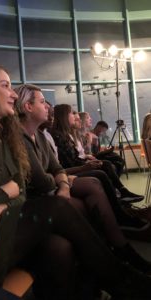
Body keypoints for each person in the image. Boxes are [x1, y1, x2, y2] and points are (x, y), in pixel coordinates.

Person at [0, 63, 151, 300]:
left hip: (3, 228)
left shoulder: (1, 138)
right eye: (5, 86)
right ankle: (124, 279)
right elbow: (13, 190)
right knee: (61, 206)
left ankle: (103, 283)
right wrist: (1, 195)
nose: (14, 94)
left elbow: (20, 189)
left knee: (59, 247)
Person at [14, 83, 151, 274]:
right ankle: (118, 251)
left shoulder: (39, 135)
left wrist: (61, 180)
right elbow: (41, 181)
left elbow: (56, 167)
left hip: (52, 189)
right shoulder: (19, 137)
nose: (48, 106)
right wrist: (63, 181)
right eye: (43, 102)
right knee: (91, 187)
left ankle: (117, 250)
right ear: (28, 107)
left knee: (94, 183)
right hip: (36, 200)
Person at [51, 104, 144, 204]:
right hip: (72, 169)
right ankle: (118, 197)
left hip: (79, 162)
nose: (75, 117)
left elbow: (77, 157)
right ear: (64, 117)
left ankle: (120, 192)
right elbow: (71, 161)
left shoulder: (67, 136)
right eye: (71, 114)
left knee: (113, 159)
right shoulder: (60, 137)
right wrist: (87, 162)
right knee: (105, 167)